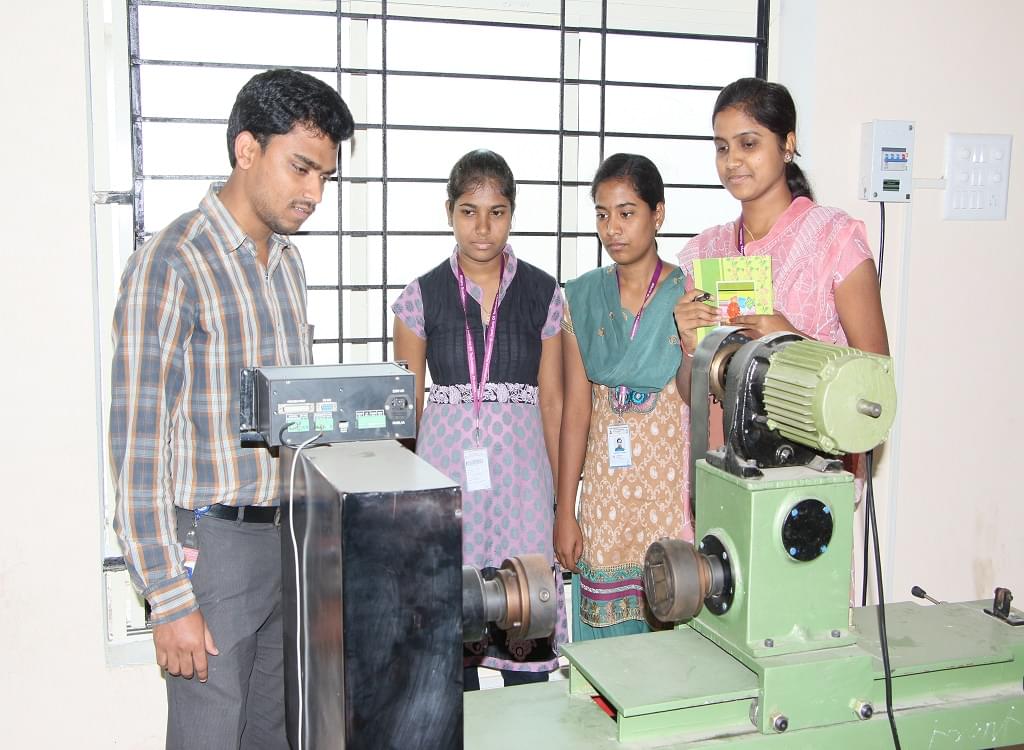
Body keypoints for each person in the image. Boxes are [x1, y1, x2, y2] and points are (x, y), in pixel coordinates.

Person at [109, 69, 354, 748]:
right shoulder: (172, 262)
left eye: (326, 177)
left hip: (288, 544)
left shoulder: (289, 268)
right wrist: (167, 595)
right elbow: (134, 449)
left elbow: (294, 420)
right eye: (302, 168)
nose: (314, 193)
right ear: (247, 148)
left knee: (277, 736)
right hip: (210, 551)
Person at [391, 149, 567, 688]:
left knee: (526, 609)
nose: (482, 227)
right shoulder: (420, 296)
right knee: (451, 627)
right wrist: (406, 504)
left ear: (512, 214)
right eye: (469, 211)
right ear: (449, 212)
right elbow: (405, 406)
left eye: (496, 211)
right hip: (447, 480)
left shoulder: (544, 292)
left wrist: (563, 502)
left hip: (522, 484)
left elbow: (555, 400)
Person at [554, 153, 696, 641]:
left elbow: (696, 396)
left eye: (627, 212)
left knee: (672, 644)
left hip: (669, 496)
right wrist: (564, 510)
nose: (612, 228)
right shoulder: (581, 296)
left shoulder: (690, 294)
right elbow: (576, 411)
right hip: (605, 499)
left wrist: (693, 342)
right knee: (604, 660)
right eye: (601, 213)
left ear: (658, 213)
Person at [674, 77, 889, 372]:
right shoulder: (707, 250)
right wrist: (690, 345)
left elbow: (876, 381)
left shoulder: (835, 239)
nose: (732, 160)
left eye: (748, 144)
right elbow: (693, 394)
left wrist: (787, 342)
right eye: (722, 148)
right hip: (718, 420)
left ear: (787, 144)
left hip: (806, 420)